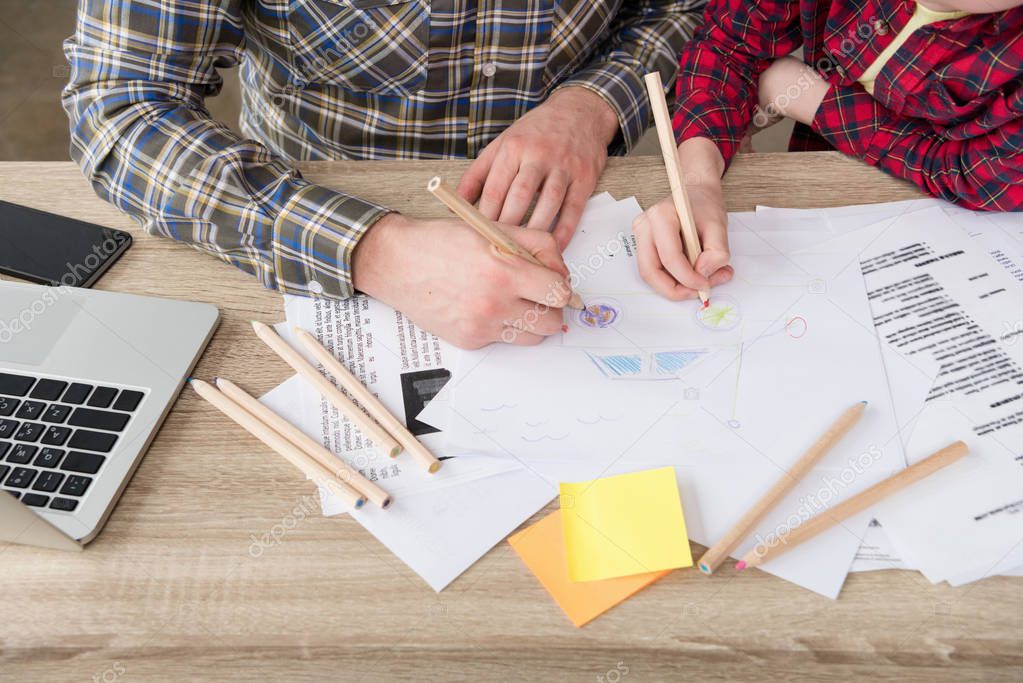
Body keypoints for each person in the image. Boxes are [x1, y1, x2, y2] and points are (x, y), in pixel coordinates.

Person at [62, 0, 705, 348]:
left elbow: (688, 10)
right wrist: (375, 251)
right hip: (301, 211)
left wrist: (591, 105)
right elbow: (118, 105)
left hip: (576, 202)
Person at [634, 0, 1023, 302]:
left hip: (935, 244)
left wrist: (814, 101)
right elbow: (730, 44)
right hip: (811, 213)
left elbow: (983, 175)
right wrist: (698, 180)